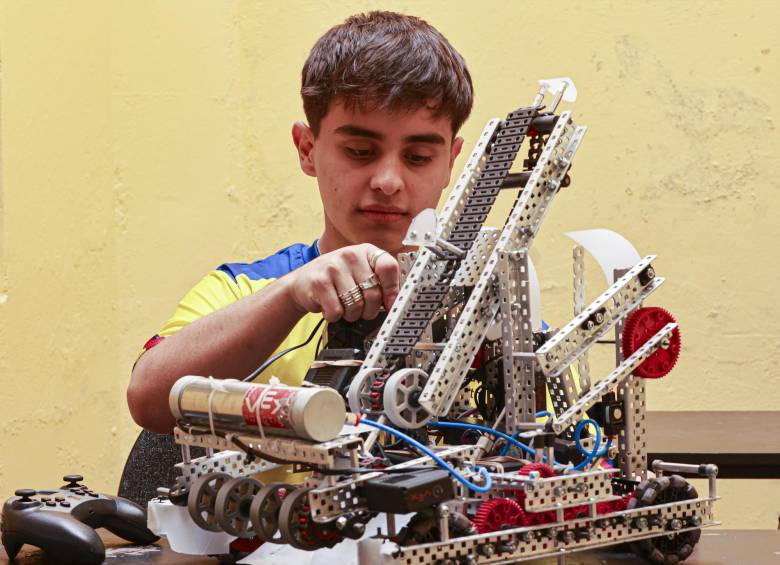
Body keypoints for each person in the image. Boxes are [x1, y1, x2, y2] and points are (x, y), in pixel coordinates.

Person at [127, 10, 474, 434]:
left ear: (451, 162)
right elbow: (147, 398)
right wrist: (291, 295)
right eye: (360, 152)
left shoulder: (486, 313)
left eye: (418, 158)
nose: (387, 182)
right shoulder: (243, 291)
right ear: (307, 149)